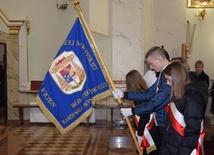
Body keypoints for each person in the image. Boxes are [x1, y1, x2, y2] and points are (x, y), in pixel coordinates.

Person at [112, 46, 171, 155]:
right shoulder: (163, 74)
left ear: (159, 60)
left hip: (169, 124)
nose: (151, 67)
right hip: (162, 123)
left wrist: (133, 111)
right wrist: (124, 94)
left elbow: (157, 102)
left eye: (151, 63)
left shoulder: (171, 74)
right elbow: (149, 93)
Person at [161, 61, 208, 155]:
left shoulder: (191, 99)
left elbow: (192, 131)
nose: (167, 83)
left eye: (169, 80)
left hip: (181, 149)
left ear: (177, 79)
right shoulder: (178, 95)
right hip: (172, 146)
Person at [125, 70, 150, 151]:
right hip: (143, 127)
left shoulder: (141, 96)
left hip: (146, 130)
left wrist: (140, 133)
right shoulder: (143, 92)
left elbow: (143, 116)